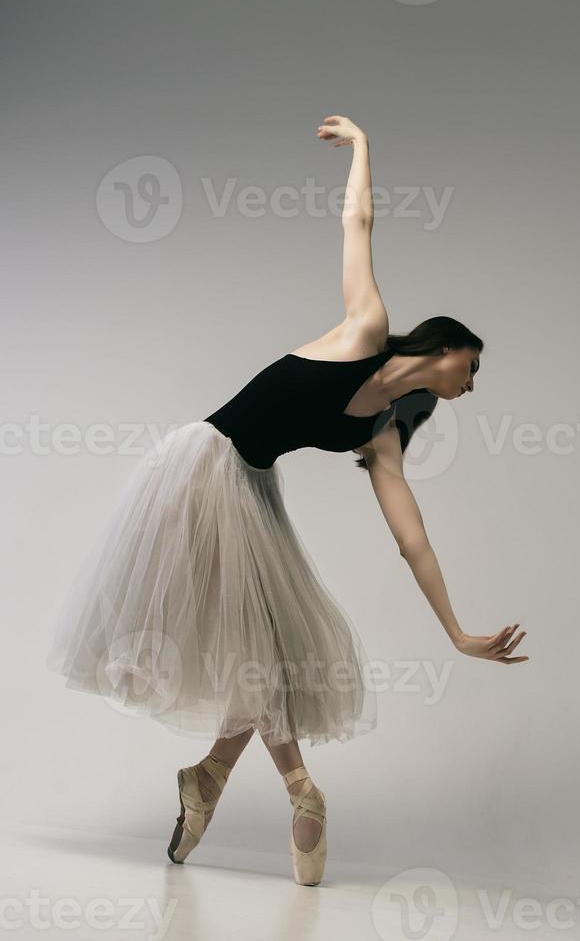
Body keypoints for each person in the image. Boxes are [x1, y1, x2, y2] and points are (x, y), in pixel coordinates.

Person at [45, 115, 528, 887]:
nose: (473, 382)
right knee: (263, 653)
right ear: (442, 349)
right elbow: (357, 223)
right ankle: (297, 789)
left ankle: (207, 779)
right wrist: (367, 147)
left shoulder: (382, 431)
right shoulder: (365, 330)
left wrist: (458, 633)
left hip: (249, 490)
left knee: (264, 655)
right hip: (201, 468)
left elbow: (414, 542)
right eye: (473, 366)